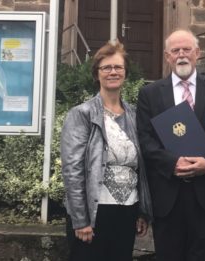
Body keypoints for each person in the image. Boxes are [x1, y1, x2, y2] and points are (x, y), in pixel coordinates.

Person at [136, 29, 205, 261]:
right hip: (167, 195)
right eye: (175, 50)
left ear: (198, 53)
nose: (181, 55)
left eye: (187, 49)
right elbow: (144, 139)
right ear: (167, 56)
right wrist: (172, 162)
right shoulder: (149, 93)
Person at [60, 40, 153, 261]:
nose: (113, 72)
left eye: (118, 67)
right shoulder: (81, 114)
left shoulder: (135, 115)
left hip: (127, 210)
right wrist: (81, 219)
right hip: (94, 212)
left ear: (125, 73)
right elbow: (72, 171)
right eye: (106, 67)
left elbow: (141, 169)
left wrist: (142, 211)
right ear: (97, 74)